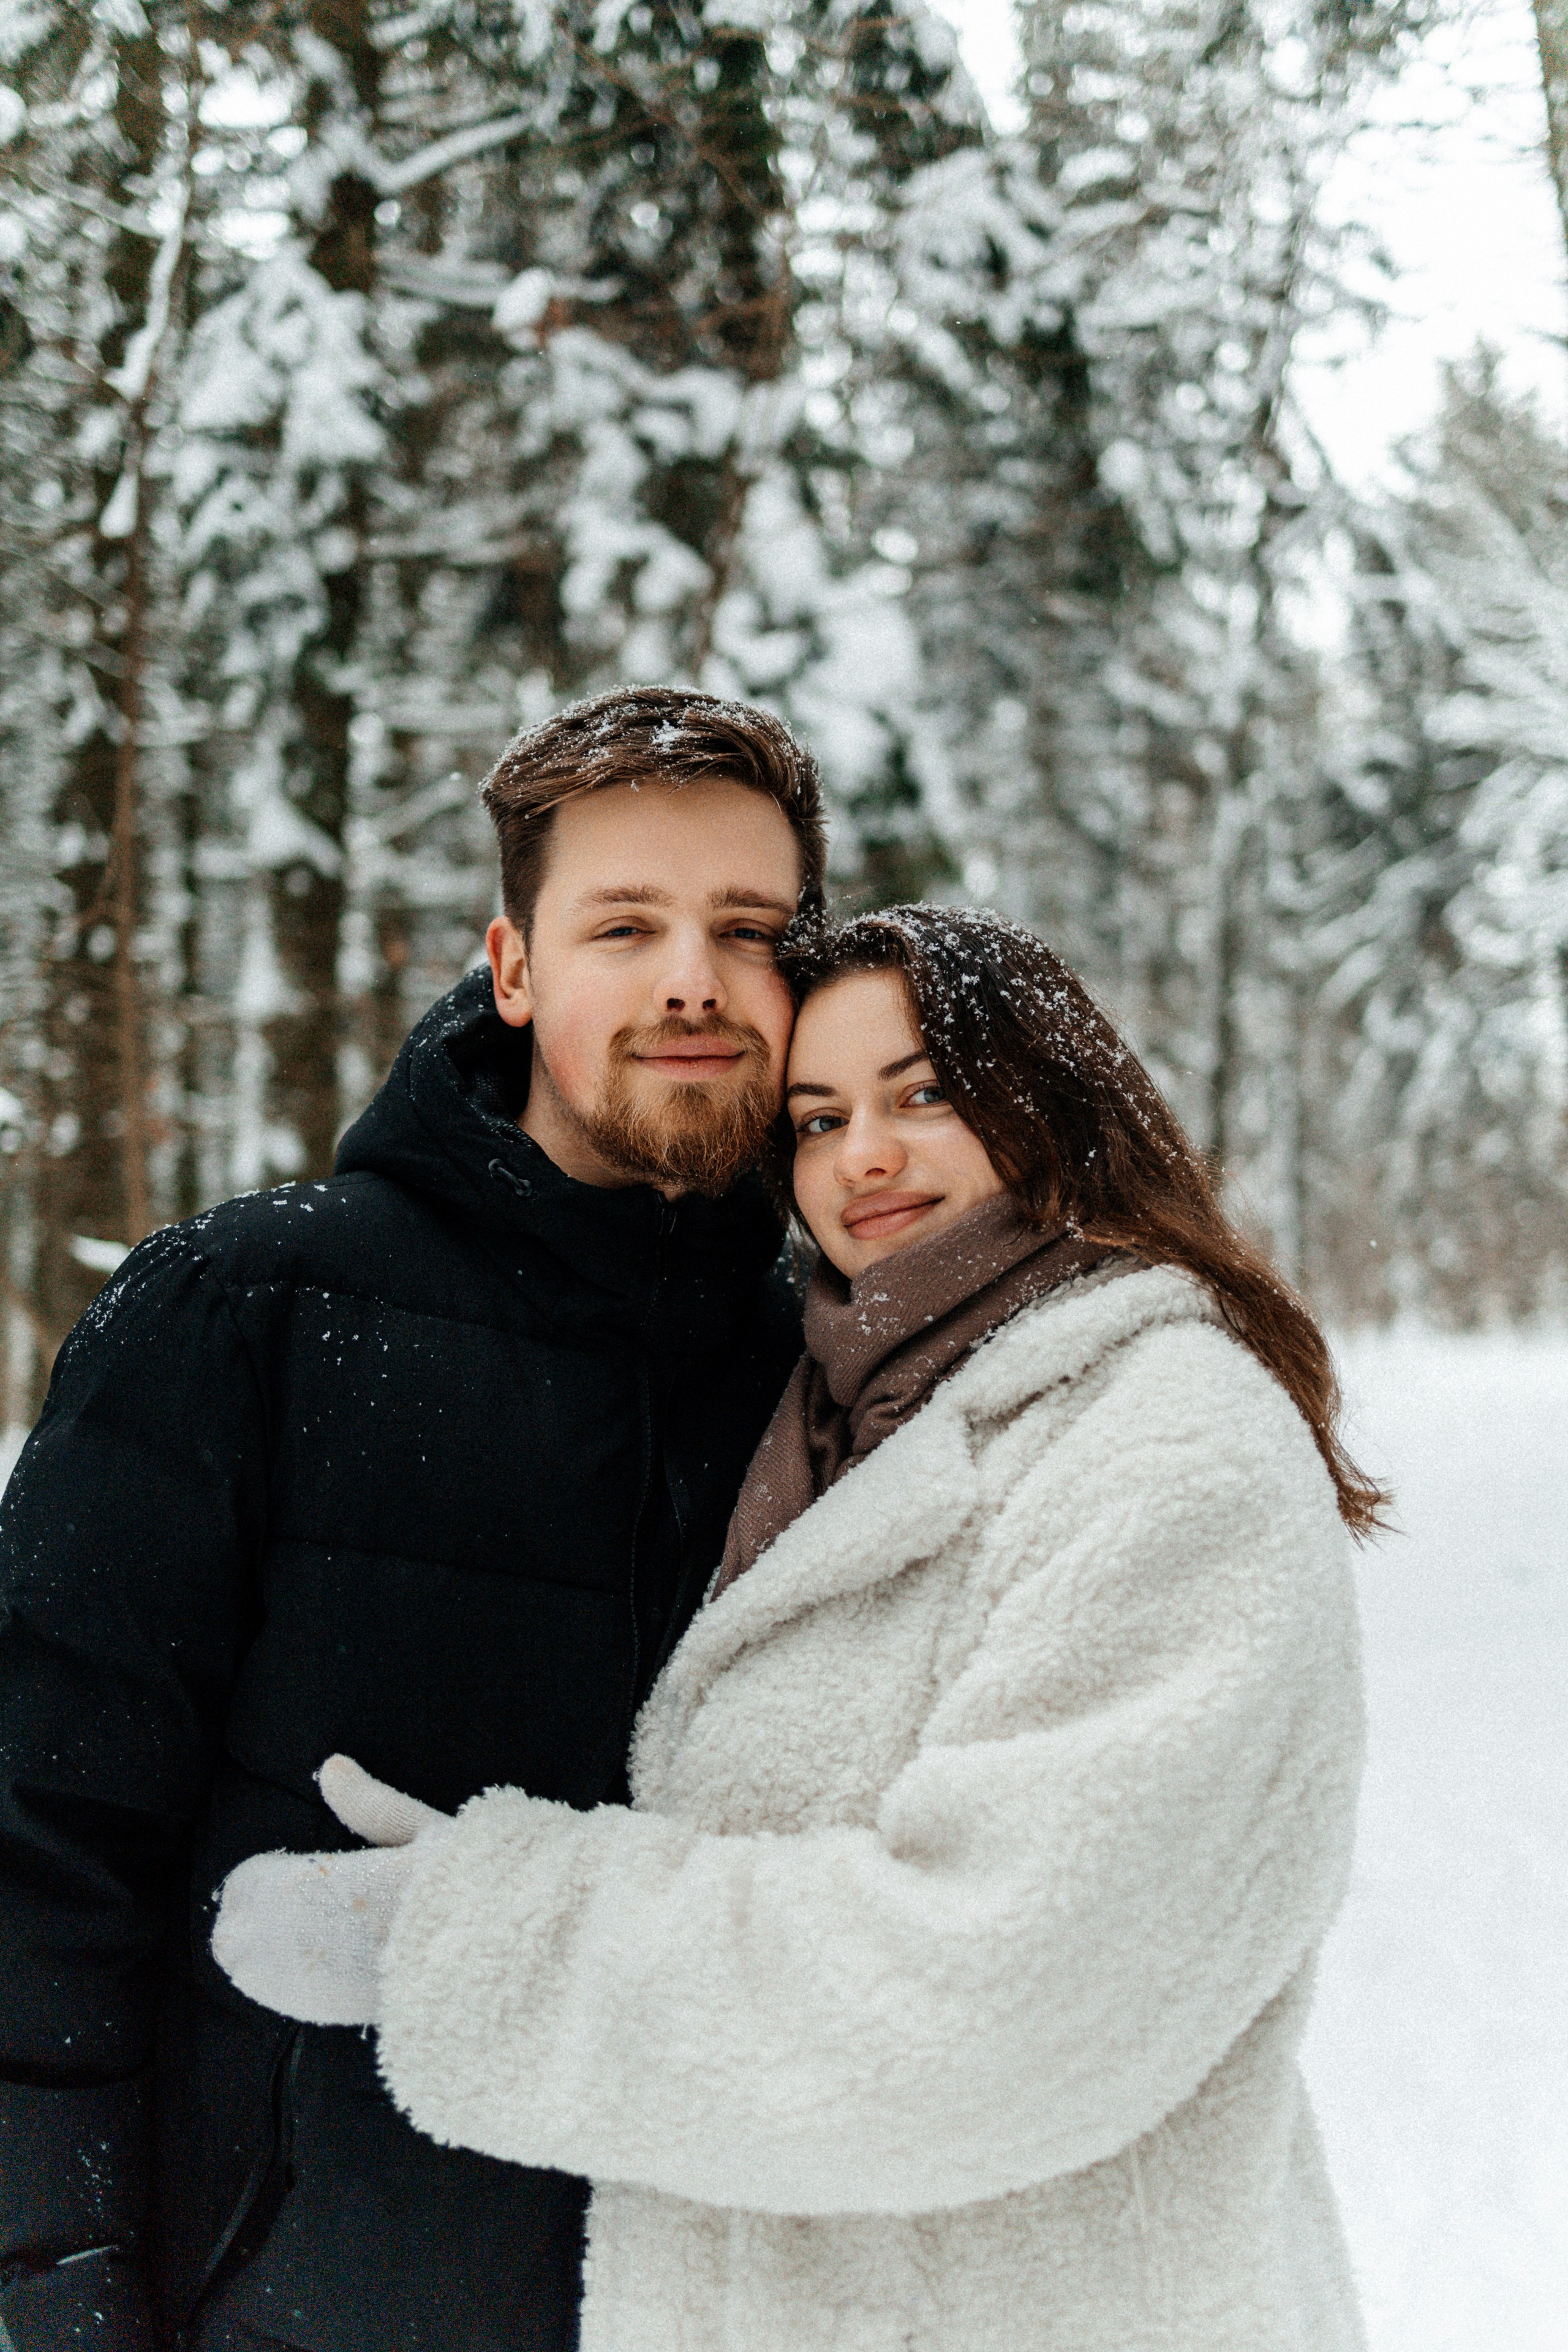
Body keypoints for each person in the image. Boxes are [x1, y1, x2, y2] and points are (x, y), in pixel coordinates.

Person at [213, 900, 1384, 2352]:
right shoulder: (835, 1416)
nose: (863, 1158)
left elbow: (996, 1993)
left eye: (923, 1095)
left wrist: (487, 1937)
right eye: (817, 1119)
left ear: (1059, 1106)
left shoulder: (1166, 1443)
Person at [0, 687, 826, 2352]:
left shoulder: (838, 1375)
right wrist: (59, 2302)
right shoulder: (247, 1311)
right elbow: (36, 1856)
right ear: (514, 969)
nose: (693, 979)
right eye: (626, 924)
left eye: (751, 930)